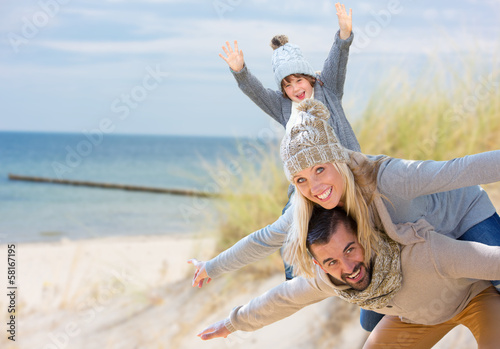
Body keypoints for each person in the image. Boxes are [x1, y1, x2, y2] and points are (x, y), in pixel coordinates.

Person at [189, 99, 500, 331]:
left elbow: (461, 169)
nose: (314, 187)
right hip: (425, 249)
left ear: (337, 160)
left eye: (319, 169)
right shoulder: (307, 208)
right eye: (300, 180)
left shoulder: (386, 178)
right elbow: (263, 240)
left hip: (462, 217)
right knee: (370, 321)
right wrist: (212, 267)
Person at [197, 206, 500, 348]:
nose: (348, 266)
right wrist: (231, 323)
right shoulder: (331, 278)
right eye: (331, 261)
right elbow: (283, 298)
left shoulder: (423, 253)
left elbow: (491, 261)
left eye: (351, 249)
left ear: (363, 237)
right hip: (415, 318)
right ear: (318, 265)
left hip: (474, 298)